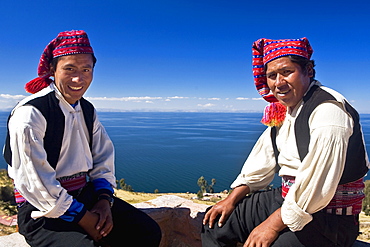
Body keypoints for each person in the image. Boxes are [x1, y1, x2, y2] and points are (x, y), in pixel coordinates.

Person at [201, 38, 370, 246]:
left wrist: (271, 226)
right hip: (288, 201)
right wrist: (231, 199)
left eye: (287, 72)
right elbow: (259, 166)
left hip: (329, 218)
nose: (278, 83)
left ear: (309, 71)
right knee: (215, 221)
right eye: (272, 76)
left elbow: (316, 186)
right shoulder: (284, 113)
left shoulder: (328, 111)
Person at [3, 30, 161, 247]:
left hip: (84, 196)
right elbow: (34, 181)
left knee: (146, 232)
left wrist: (104, 200)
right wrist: (85, 219)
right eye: (69, 69)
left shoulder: (86, 109)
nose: (79, 78)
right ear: (52, 69)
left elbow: (102, 156)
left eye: (86, 69)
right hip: (41, 209)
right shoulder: (31, 114)